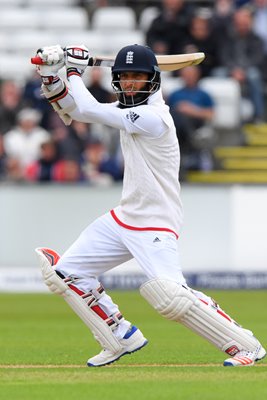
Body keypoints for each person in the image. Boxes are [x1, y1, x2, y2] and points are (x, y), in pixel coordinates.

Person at [34, 44, 265, 367]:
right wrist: (49, 74)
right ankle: (120, 336)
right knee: (65, 274)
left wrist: (73, 69)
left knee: (171, 296)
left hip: (156, 222)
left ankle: (247, 345)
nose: (129, 83)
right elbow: (72, 107)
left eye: (137, 77)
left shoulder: (153, 118)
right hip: (123, 217)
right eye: (124, 77)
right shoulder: (128, 110)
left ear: (153, 80)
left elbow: (87, 109)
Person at [212, 6, 265, 122]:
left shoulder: (257, 39)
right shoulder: (227, 38)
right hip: (231, 70)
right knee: (217, 74)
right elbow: (224, 56)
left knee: (254, 75)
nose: (242, 26)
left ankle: (258, 115)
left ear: (250, 23)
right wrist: (233, 70)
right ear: (235, 23)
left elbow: (257, 59)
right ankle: (217, 114)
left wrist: (242, 71)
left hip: (248, 70)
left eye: (244, 23)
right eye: (239, 23)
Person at [168, 66, 216, 174]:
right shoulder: (175, 94)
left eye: (191, 75)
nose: (188, 78)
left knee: (182, 121)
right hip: (176, 125)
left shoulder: (203, 94)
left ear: (197, 76)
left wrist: (191, 110)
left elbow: (210, 114)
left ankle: (184, 156)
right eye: (186, 75)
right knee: (178, 119)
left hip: (196, 124)